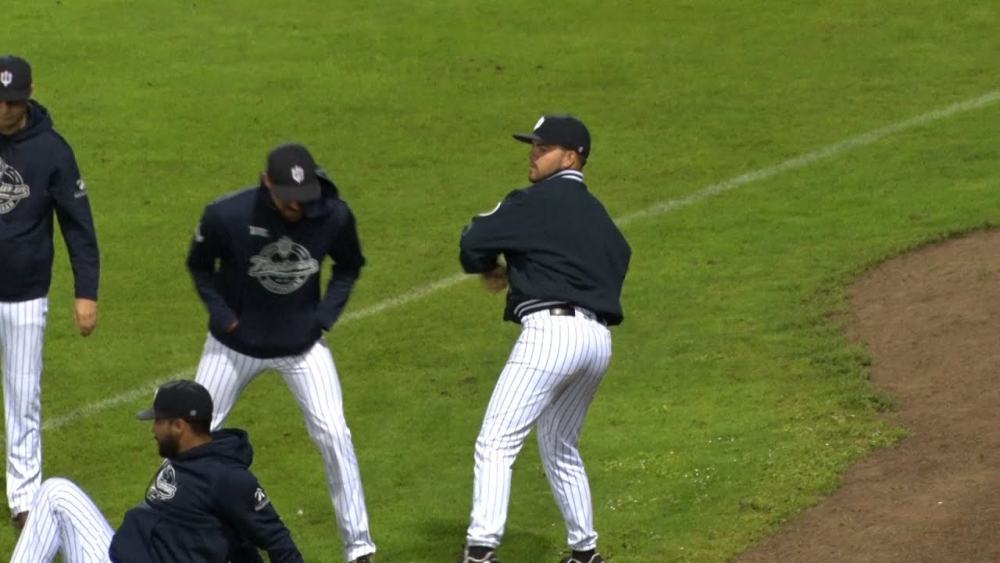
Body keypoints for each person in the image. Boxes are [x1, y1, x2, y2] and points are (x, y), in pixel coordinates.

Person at [186, 142, 376, 563]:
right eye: (287, 198)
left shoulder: (333, 215)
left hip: (301, 348)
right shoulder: (228, 215)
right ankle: (174, 536)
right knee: (189, 435)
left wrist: (323, 317)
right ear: (267, 182)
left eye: (303, 197)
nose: (296, 208)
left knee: (333, 433)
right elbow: (200, 265)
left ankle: (359, 547)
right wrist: (223, 318)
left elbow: (349, 265)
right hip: (233, 347)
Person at [456, 114, 632, 563]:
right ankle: (585, 553)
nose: (533, 155)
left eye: (543, 148)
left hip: (551, 336)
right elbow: (619, 256)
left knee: (495, 442)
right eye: (532, 146)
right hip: (597, 343)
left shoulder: (533, 202)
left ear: (570, 157)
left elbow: (473, 238)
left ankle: (480, 552)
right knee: (559, 444)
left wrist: (490, 268)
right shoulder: (599, 216)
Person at [10, 379, 303, 562]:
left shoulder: (227, 478)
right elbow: (238, 541)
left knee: (54, 494)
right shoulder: (187, 456)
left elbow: (278, 541)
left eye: (158, 421)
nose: (152, 429)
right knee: (56, 493)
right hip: (116, 554)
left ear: (179, 426)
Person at [0, 54, 100, 530]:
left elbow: (78, 226)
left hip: (24, 295)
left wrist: (87, 292)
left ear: (29, 96)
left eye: (11, 102)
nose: (3, 110)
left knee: (23, 398)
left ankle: (23, 498)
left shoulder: (53, 151)